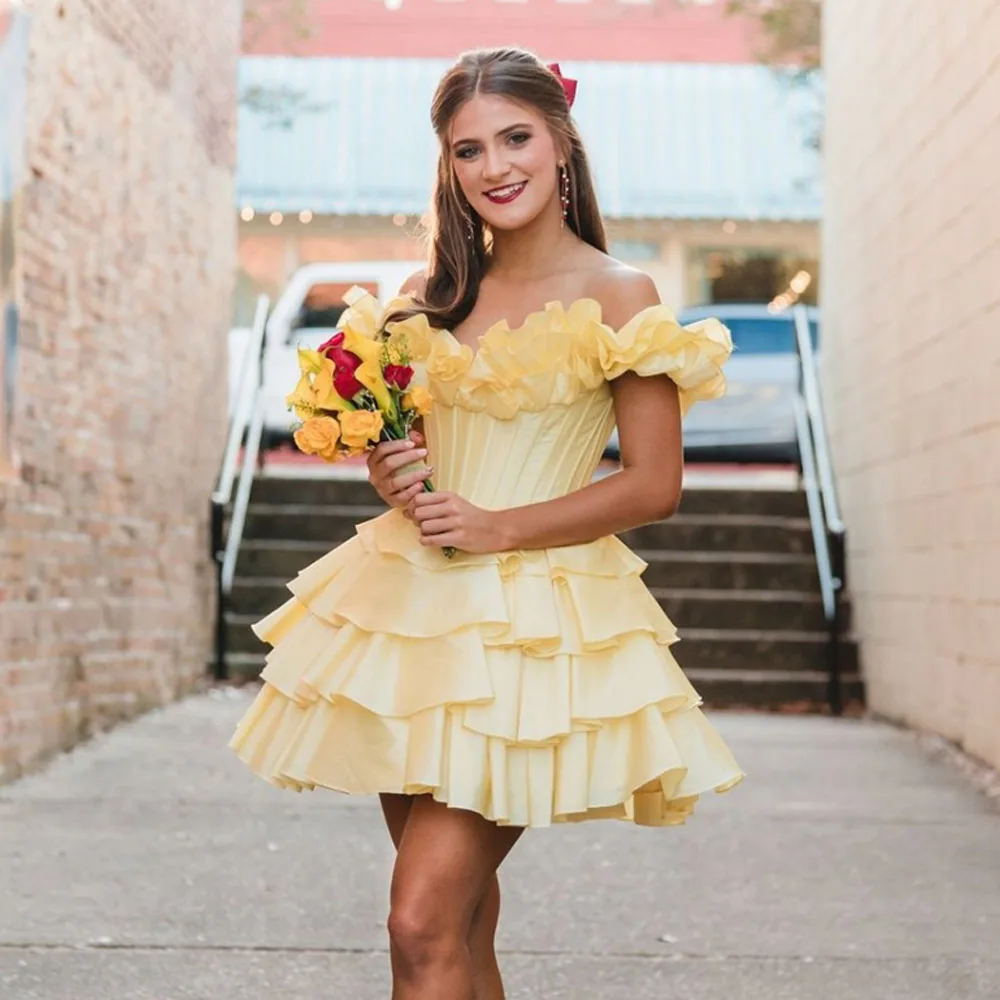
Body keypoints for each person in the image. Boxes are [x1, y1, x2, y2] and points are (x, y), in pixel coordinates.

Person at [230, 47, 743, 1000]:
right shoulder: (430, 302)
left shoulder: (619, 294)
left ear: (560, 145)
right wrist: (391, 473)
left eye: (516, 138)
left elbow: (654, 486)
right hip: (409, 621)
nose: (496, 166)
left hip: (533, 626)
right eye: (469, 150)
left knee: (418, 919)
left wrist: (499, 527)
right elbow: (419, 469)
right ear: (449, 168)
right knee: (459, 925)